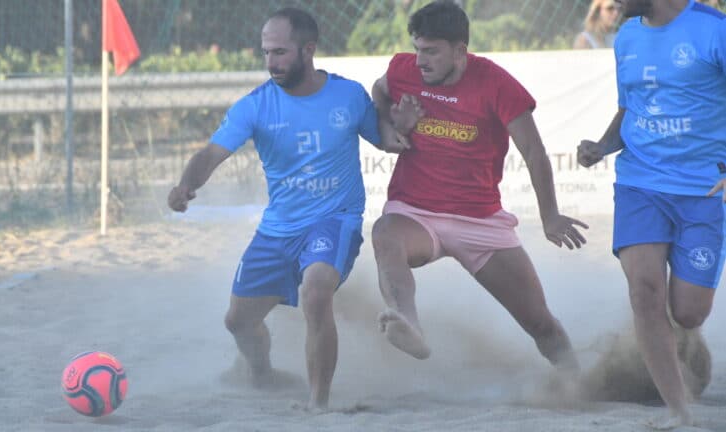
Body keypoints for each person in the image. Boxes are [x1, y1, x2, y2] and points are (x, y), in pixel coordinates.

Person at [166, 7, 394, 410]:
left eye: (280, 53)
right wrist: (187, 183)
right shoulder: (255, 106)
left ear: (308, 50)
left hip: (334, 220)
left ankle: (318, 403)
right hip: (277, 229)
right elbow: (211, 153)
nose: (271, 62)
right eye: (266, 53)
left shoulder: (348, 94)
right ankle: (261, 373)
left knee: (317, 290)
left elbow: (386, 141)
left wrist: (402, 124)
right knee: (238, 322)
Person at [369, 0, 587, 377]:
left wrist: (549, 217)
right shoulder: (403, 69)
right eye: (418, 48)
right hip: (415, 212)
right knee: (385, 234)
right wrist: (390, 125)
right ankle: (408, 324)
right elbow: (379, 90)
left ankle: (581, 382)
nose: (421, 61)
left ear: (460, 51)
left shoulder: (496, 83)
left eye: (432, 51)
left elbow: (534, 152)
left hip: (480, 221)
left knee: (540, 324)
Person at [577, 0, 726, 428]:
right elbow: (631, 108)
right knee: (644, 292)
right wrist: (602, 147)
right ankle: (680, 411)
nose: (614, 2)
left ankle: (685, 342)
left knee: (689, 313)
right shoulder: (627, 37)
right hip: (639, 184)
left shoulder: (714, 30)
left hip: (703, 190)